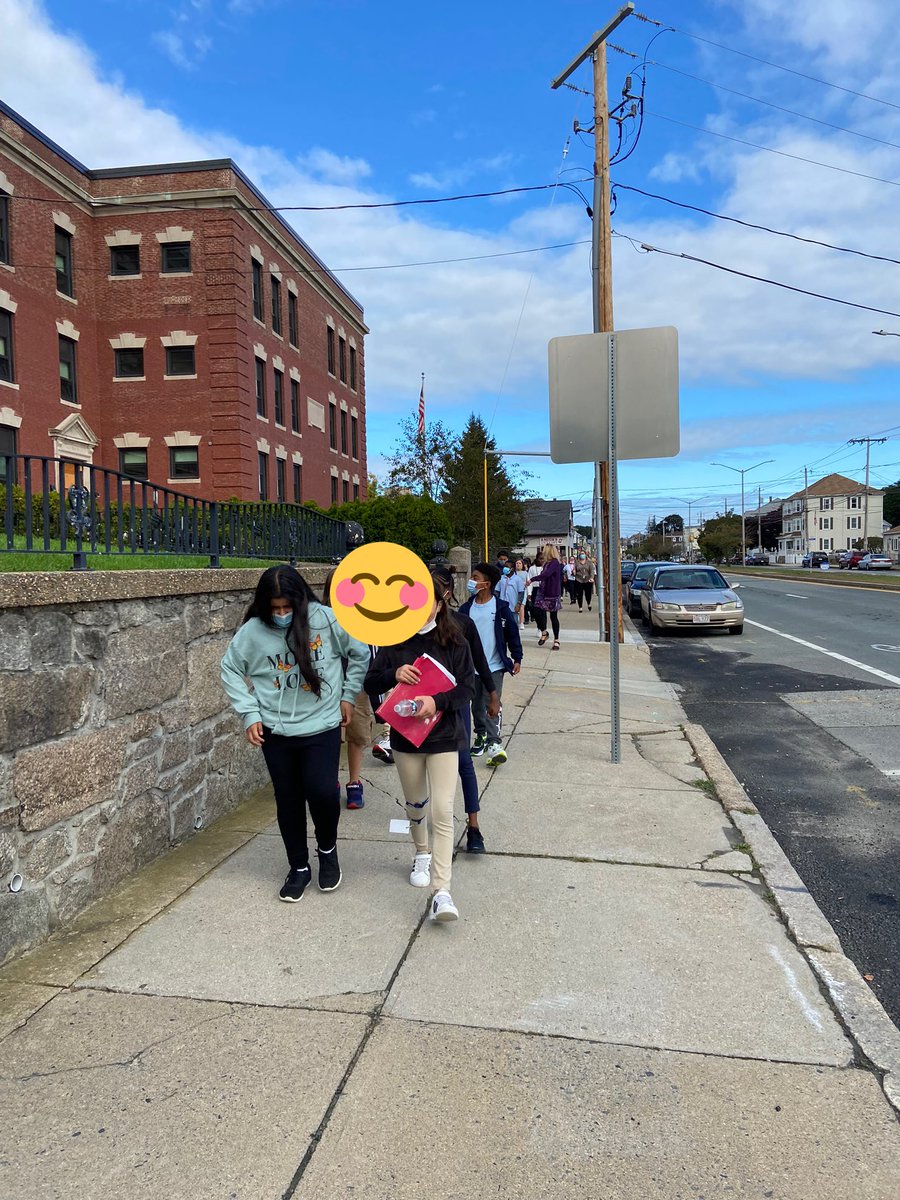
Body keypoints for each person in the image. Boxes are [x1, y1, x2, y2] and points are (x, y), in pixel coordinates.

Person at [220, 564, 369, 902]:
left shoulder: (325, 619)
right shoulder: (253, 632)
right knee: (288, 799)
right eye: (275, 609)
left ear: (300, 601)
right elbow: (229, 668)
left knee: (322, 792)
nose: (283, 614)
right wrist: (249, 713)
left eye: (288, 607)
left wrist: (348, 694)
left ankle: (327, 849)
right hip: (276, 731)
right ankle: (298, 866)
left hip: (322, 724)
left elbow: (359, 653)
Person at [365, 579, 475, 922]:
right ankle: (421, 852)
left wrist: (436, 701)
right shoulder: (394, 641)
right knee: (416, 805)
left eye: (425, 599)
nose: (418, 605)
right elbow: (370, 682)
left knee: (442, 810)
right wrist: (393, 673)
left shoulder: (455, 640)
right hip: (405, 739)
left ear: (440, 604)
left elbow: (467, 688)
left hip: (444, 738)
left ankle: (442, 892)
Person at [432, 565, 498, 853]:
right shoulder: (413, 627)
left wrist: (492, 695)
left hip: (456, 706)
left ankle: (474, 827)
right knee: (426, 768)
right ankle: (428, 830)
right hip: (425, 709)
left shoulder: (462, 625)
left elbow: (480, 663)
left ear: (446, 593)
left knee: (464, 764)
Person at [460, 562, 522, 767]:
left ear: (486, 584)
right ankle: (480, 736)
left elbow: (512, 634)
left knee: (492, 703)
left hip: (494, 665)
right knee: (476, 705)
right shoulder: (466, 608)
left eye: (475, 578)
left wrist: (517, 657)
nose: (472, 581)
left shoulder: (500, 608)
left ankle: (494, 743)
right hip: (471, 667)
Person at [322, 568, 375, 809]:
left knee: (357, 733)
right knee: (329, 735)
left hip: (356, 683)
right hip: (326, 684)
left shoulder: (362, 615)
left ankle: (354, 782)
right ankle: (330, 782)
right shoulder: (320, 617)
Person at [531, 544, 564, 649]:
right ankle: (544, 631)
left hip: (552, 592)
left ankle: (556, 640)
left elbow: (546, 575)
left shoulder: (554, 562)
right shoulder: (546, 564)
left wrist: (532, 579)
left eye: (544, 550)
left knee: (553, 616)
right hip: (542, 591)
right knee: (536, 611)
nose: (543, 552)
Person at [496, 555, 525, 622]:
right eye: (504, 567)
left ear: (512, 569)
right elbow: (497, 591)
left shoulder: (517, 579)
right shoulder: (501, 578)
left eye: (507, 567)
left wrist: (518, 604)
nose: (505, 568)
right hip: (502, 606)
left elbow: (521, 593)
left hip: (513, 607)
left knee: (513, 624)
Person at [525, 552, 543, 627]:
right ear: (537, 559)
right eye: (540, 558)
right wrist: (529, 593)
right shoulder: (532, 568)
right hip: (535, 590)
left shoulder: (545, 567)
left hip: (543, 589)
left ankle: (541, 628)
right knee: (535, 609)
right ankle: (537, 623)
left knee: (542, 610)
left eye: (543, 559)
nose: (542, 560)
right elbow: (530, 581)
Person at [513, 557, 529, 627]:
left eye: (520, 563)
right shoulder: (513, 573)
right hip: (514, 592)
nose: (518, 565)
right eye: (517, 563)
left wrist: (529, 593)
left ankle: (521, 622)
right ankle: (515, 621)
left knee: (522, 606)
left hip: (523, 591)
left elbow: (528, 582)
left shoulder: (525, 573)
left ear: (522, 565)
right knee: (515, 606)